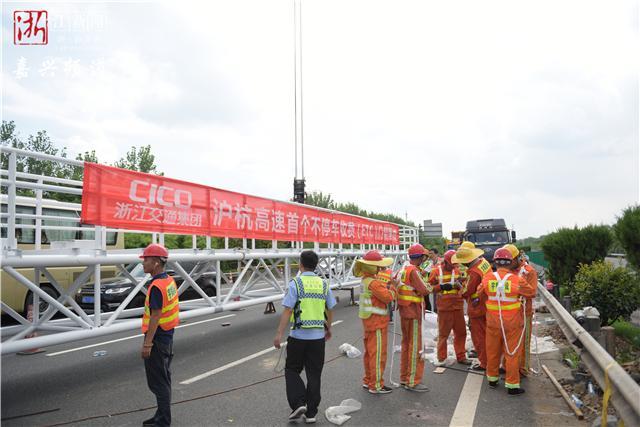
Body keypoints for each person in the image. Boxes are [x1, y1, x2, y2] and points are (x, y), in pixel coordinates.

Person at [273, 250, 336, 423]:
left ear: (300, 265)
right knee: (314, 374)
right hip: (317, 339)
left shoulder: (296, 283)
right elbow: (330, 308)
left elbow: (287, 310)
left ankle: (298, 402)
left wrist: (279, 334)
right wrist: (328, 328)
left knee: (292, 370)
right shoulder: (324, 284)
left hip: (298, 336)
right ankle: (311, 413)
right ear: (316, 265)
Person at [478, 248, 535, 395]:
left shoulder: (487, 277)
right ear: (510, 263)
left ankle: (492, 379)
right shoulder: (517, 279)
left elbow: (480, 293)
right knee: (512, 353)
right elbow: (531, 292)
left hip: (493, 321)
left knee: (492, 350)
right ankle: (512, 385)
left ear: (495, 262)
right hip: (512, 322)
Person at [140, 243, 179, 427]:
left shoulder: (156, 286)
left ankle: (163, 421)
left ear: (156, 263)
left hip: (157, 339)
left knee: (158, 383)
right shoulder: (169, 281)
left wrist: (147, 344)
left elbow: (155, 316)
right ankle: (160, 416)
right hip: (167, 336)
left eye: (146, 260)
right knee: (164, 379)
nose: (143, 264)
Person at [354, 250, 397, 394]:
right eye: (378, 266)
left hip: (368, 322)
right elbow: (388, 298)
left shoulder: (365, 281)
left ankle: (368, 381)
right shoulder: (374, 283)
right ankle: (376, 385)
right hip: (377, 323)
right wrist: (394, 287)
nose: (380, 269)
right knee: (378, 355)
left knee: (369, 354)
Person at [397, 244, 432, 392]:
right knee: (415, 347)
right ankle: (412, 381)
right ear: (419, 258)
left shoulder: (403, 269)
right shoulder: (414, 271)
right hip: (414, 312)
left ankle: (405, 378)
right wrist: (430, 285)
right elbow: (425, 289)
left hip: (405, 311)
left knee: (406, 345)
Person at [453, 243, 492, 371]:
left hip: (478, 306)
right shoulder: (483, 263)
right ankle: (491, 360)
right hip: (488, 303)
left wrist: (459, 286)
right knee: (488, 334)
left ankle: (484, 363)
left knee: (479, 336)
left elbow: (467, 291)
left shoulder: (474, 272)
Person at [428, 250, 470, 366]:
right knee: (443, 334)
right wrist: (441, 287)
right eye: (453, 263)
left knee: (461, 333)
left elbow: (464, 286)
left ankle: (461, 356)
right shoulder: (436, 271)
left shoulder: (457, 270)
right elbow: (429, 288)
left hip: (457, 306)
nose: (455, 265)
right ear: (446, 262)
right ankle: (441, 357)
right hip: (444, 307)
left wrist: (461, 284)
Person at [503, 244, 538, 377]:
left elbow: (532, 292)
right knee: (507, 341)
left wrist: (516, 289)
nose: (507, 264)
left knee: (523, 343)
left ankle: (523, 368)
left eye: (509, 261)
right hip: (507, 313)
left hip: (524, 313)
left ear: (517, 258)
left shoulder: (529, 271)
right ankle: (508, 366)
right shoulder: (505, 271)